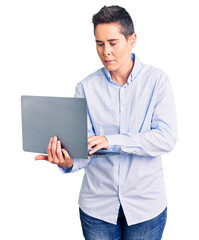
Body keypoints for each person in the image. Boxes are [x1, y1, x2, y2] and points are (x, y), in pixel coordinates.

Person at [35, 5, 177, 240]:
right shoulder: (86, 87)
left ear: (132, 40)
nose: (105, 52)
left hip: (146, 208)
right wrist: (69, 161)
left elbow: (165, 138)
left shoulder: (157, 81)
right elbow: (85, 146)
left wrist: (111, 141)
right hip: (97, 208)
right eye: (99, 44)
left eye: (113, 43)